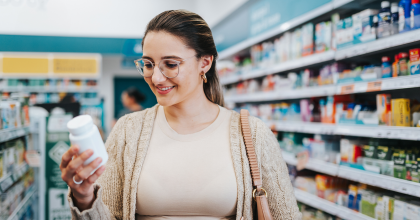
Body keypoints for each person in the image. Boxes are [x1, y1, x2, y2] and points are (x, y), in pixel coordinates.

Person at [60, 10, 301, 220]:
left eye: (171, 64)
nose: (155, 78)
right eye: (149, 64)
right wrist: (85, 198)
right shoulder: (127, 131)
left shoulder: (253, 134)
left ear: (204, 63)